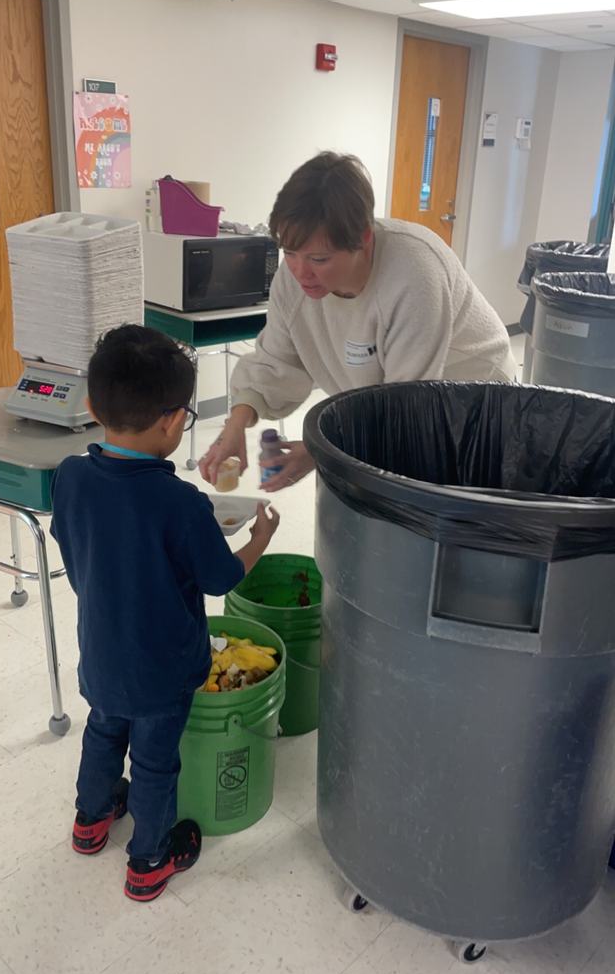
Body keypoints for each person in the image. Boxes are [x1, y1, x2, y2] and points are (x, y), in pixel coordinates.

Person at [51, 325, 279, 903]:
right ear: (175, 421)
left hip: (101, 654)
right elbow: (221, 577)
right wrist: (259, 538)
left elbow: (75, 551)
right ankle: (150, 860)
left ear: (92, 405)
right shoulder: (181, 502)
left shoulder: (72, 477)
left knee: (102, 732)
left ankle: (90, 822)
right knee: (154, 763)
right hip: (163, 670)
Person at [200, 151, 517, 492]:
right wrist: (236, 423)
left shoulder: (414, 276)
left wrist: (317, 451)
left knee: (437, 510)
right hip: (386, 407)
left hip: (471, 405)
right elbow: (276, 361)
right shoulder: (293, 282)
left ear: (364, 239)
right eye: (289, 253)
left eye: (319, 259)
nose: (300, 272)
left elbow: (405, 406)